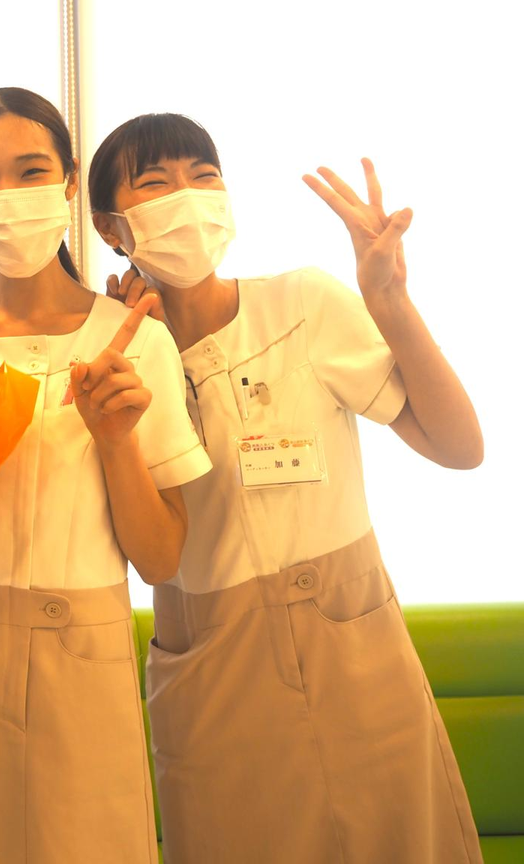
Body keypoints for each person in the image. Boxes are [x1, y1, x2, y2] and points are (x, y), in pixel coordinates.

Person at [90, 111, 484, 864]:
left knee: (400, 840)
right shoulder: (117, 356)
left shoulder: (303, 303)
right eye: (156, 183)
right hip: (214, 665)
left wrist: (390, 300)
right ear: (112, 227)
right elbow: (146, 548)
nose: (188, 197)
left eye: (204, 177)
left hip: (354, 648)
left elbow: (460, 447)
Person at [0, 87, 211, 863]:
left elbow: (161, 558)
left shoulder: (136, 342)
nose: (8, 195)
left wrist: (116, 439)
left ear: (66, 181)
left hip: (81, 654)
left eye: (30, 171)